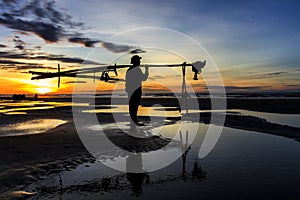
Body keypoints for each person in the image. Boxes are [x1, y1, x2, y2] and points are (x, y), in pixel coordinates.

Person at [125, 55, 149, 126]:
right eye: (138, 60)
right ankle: (134, 121)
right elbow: (144, 78)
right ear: (135, 61)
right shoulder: (137, 69)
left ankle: (133, 121)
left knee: (132, 106)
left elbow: (127, 81)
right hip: (136, 90)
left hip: (131, 90)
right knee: (134, 106)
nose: (140, 62)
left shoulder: (129, 69)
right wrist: (147, 70)